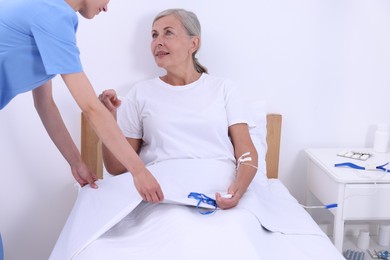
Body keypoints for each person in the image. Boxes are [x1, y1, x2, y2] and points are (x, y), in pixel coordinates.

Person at [0, 0, 163, 202]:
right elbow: (90, 108)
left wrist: (76, 162)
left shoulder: (48, 10)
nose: (106, 7)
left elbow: (45, 104)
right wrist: (140, 172)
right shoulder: (53, 16)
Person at [98, 8, 258, 209]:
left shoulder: (223, 88)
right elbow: (116, 167)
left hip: (219, 195)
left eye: (168, 32)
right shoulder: (140, 93)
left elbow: (245, 150)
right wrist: (108, 119)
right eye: (154, 35)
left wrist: (237, 190)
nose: (158, 41)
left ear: (193, 43)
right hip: (162, 197)